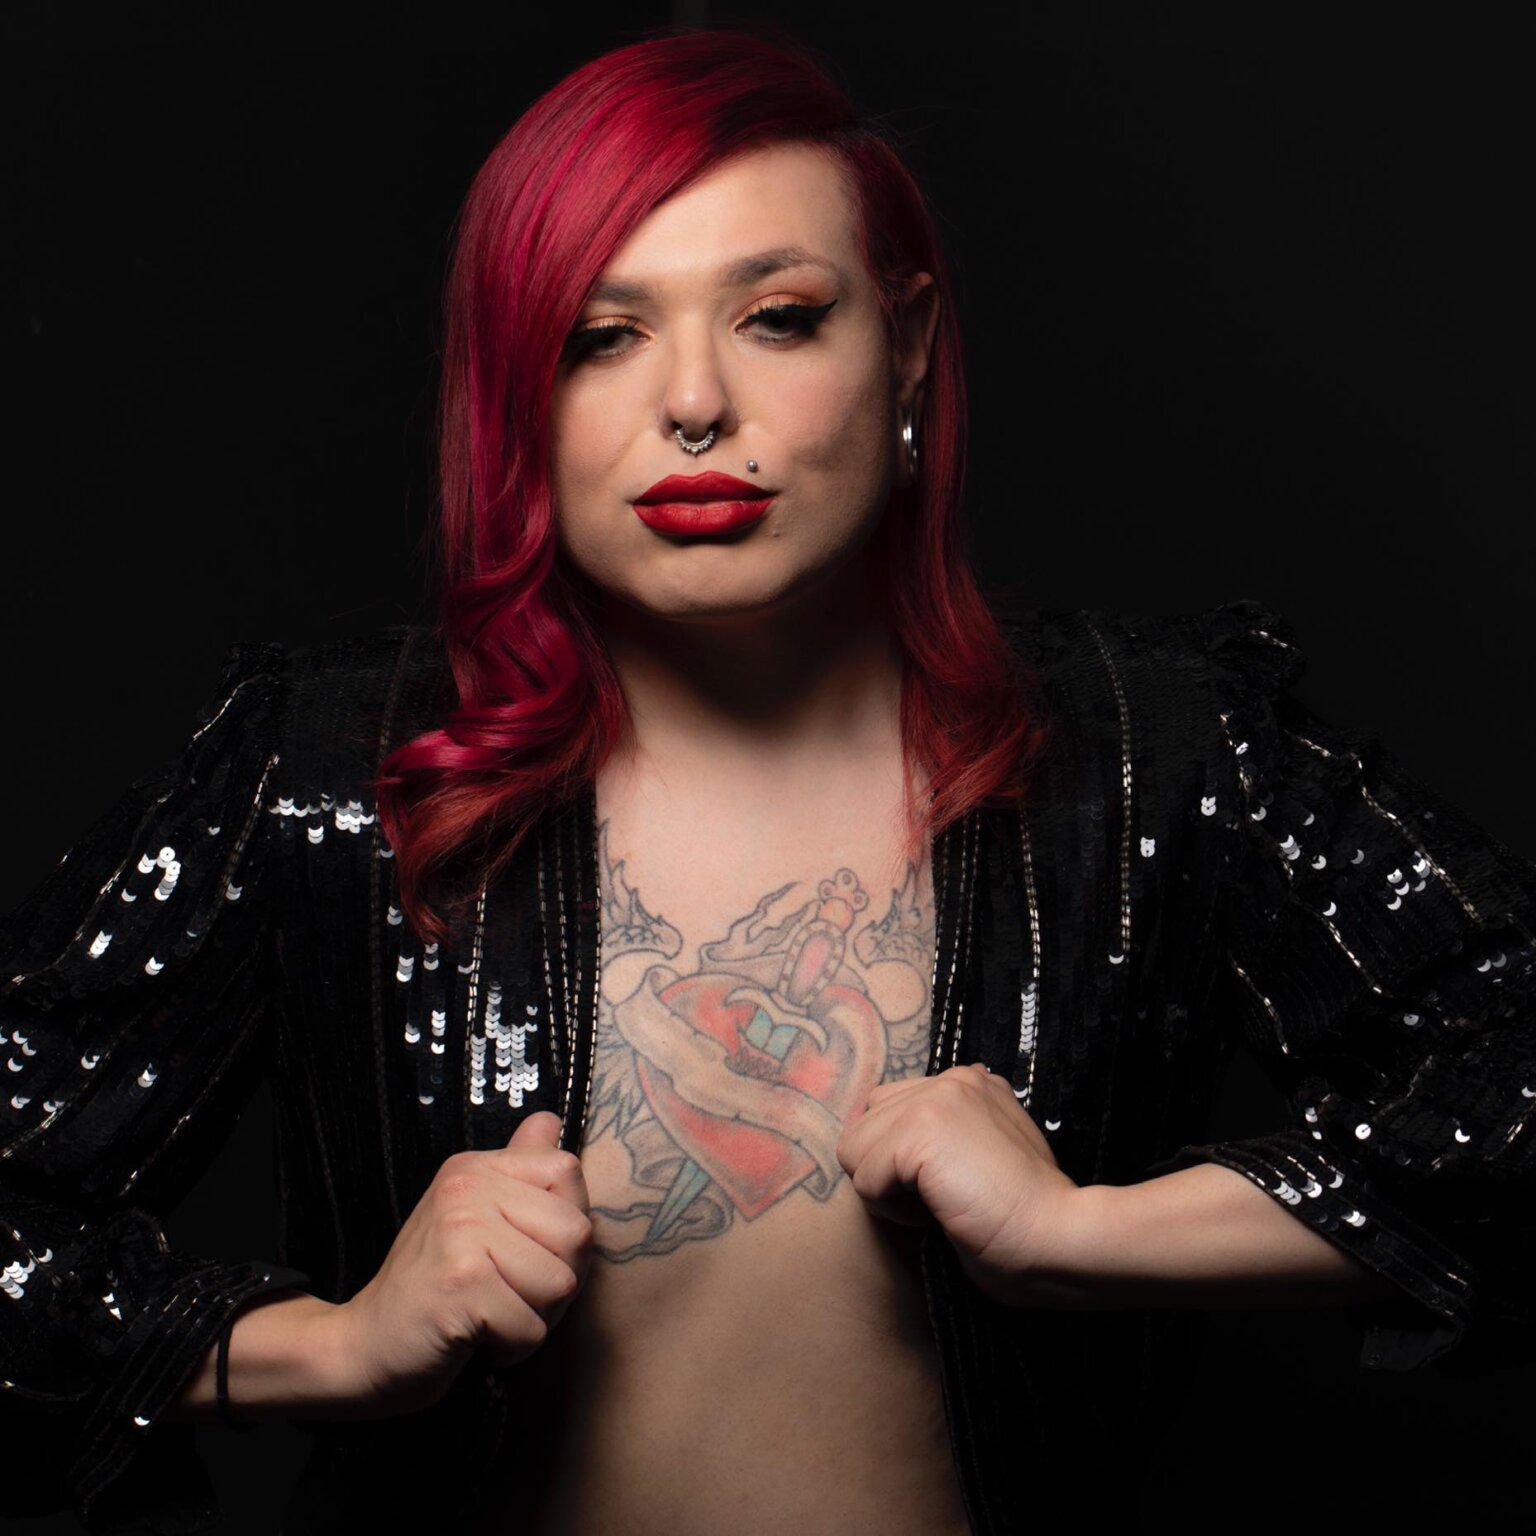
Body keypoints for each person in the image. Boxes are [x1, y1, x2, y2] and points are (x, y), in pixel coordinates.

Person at [3, 24, 1533, 1536]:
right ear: (516, 392)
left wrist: (1086, 1235)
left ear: (908, 343)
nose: (692, 402)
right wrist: (333, 1351)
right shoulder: (329, 771)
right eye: (600, 335)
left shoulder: (1153, 750)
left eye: (778, 317)